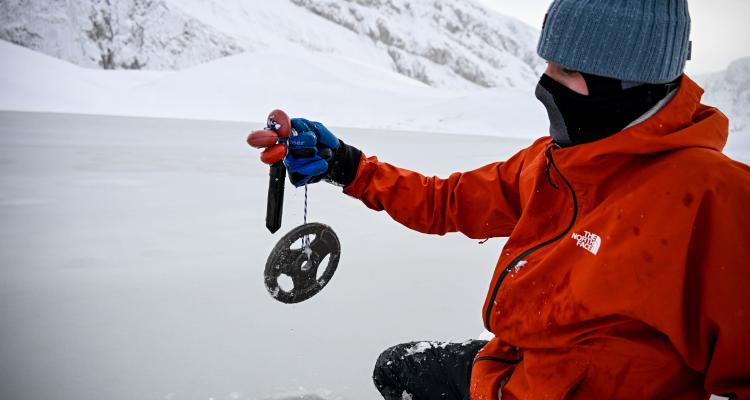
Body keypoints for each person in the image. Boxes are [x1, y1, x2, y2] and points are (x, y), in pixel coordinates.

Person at [249, 0, 750, 398]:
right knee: (396, 369)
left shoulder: (716, 199)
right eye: (548, 64)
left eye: (568, 70)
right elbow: (447, 201)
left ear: (630, 86)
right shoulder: (557, 163)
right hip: (514, 374)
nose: (546, 84)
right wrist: (349, 165)